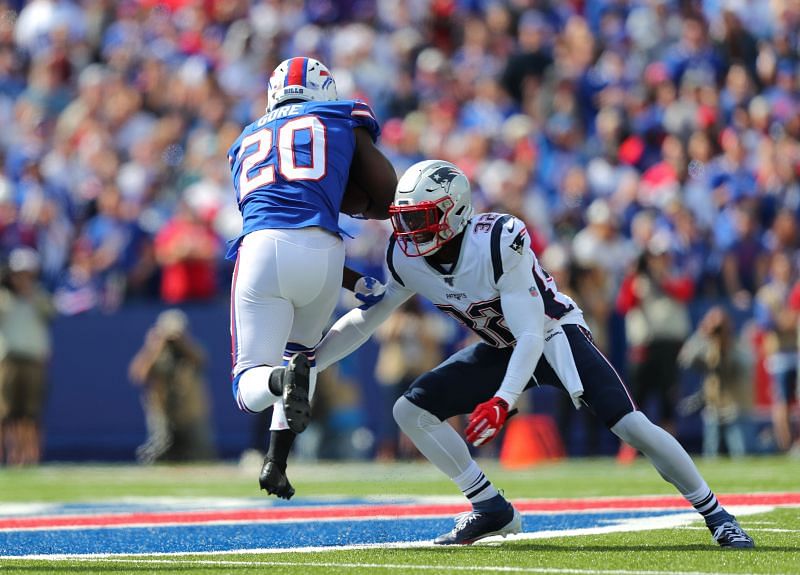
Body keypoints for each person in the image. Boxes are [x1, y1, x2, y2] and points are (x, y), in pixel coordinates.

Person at [314, 160, 754, 548]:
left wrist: (503, 400)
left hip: (553, 337)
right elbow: (365, 320)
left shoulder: (498, 238)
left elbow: (529, 334)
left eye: (422, 219)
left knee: (632, 426)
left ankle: (717, 514)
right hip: (500, 347)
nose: (409, 232)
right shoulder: (405, 257)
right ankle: (489, 507)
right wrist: (311, 361)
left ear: (456, 211)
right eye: (404, 221)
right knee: (410, 411)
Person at [226, 57, 397, 498]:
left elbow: (279, 221)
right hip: (325, 251)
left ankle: (278, 383)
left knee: (248, 388)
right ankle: (276, 462)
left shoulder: (245, 140)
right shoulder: (341, 114)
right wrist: (356, 276)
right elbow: (387, 194)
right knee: (304, 356)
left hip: (262, 249)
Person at [129, 309, 216, 463]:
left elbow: (202, 361)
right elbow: (139, 376)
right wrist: (154, 348)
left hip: (190, 415)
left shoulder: (190, 349)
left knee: (202, 457)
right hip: (162, 415)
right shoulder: (155, 352)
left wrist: (183, 342)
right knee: (157, 455)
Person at [0, 247, 55, 466]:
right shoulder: (3, 299)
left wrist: (31, 294)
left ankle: (28, 457)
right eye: (19, 274)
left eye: (28, 274)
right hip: (9, 360)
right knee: (5, 412)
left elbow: (52, 313)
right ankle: (6, 456)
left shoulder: (40, 296)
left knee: (30, 414)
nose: (23, 279)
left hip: (34, 360)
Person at [677, 306, 751, 458]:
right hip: (713, 407)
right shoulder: (707, 348)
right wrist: (702, 333)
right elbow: (685, 360)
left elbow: (740, 365)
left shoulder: (737, 346)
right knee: (711, 458)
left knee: (741, 454)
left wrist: (725, 344)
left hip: (735, 408)